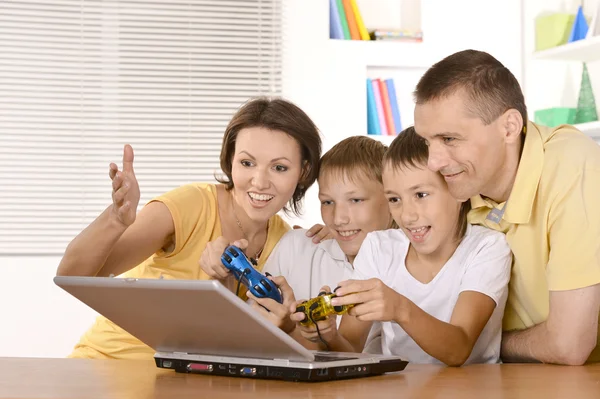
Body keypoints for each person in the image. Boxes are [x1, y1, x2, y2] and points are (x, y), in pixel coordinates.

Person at [57, 97, 323, 360]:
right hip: (107, 364)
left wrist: (335, 239)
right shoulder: (191, 205)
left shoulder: (284, 240)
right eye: (247, 163)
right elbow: (73, 275)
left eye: (279, 167)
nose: (260, 181)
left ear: (303, 171)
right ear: (231, 159)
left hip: (182, 380)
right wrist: (116, 219)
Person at [412, 49, 600, 365]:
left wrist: (480, 346)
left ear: (509, 127)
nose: (434, 161)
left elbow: (570, 345)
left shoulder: (573, 164)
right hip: (512, 380)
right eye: (427, 141)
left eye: (450, 139)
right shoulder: (458, 182)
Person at [292, 127, 512, 366]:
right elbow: (351, 348)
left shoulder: (487, 248)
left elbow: (458, 349)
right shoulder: (378, 247)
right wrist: (330, 335)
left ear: (459, 191)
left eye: (420, 194)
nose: (406, 216)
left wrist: (400, 308)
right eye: (394, 199)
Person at [250, 136, 394, 352]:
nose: (338, 219)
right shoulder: (295, 247)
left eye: (356, 200)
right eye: (327, 202)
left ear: (392, 198)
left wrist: (292, 329)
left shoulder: (406, 264)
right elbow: (250, 336)